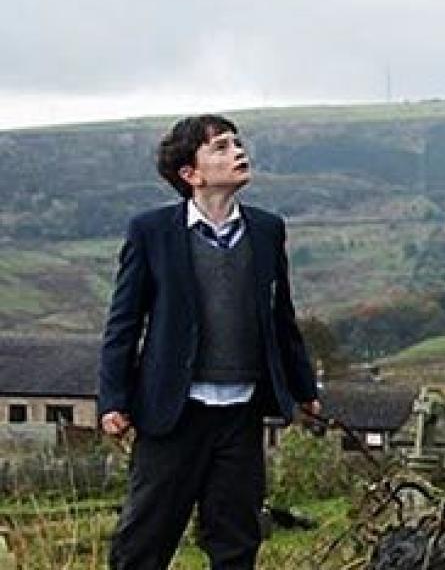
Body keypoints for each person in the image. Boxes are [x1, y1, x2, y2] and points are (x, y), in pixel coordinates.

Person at [98, 114, 321, 568]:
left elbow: (281, 316)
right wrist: (113, 400)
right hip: (172, 415)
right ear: (190, 174)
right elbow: (124, 322)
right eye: (220, 147)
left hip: (241, 414)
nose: (238, 152)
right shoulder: (152, 232)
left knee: (236, 542)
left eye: (236, 143)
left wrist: (303, 389)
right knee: (143, 544)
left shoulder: (266, 229)